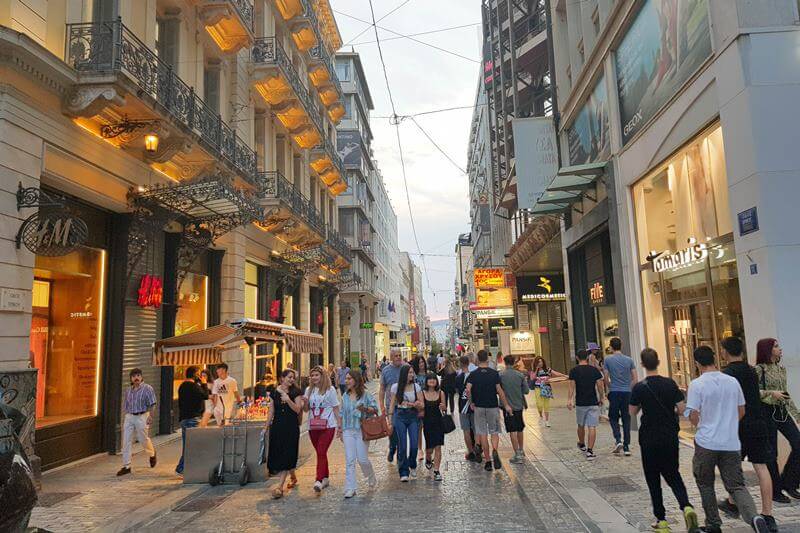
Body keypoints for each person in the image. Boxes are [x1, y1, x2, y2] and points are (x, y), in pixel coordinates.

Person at [685, 346, 769, 533]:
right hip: (731, 442)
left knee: (705, 483)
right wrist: (727, 424)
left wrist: (702, 422)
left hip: (706, 442)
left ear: (697, 363)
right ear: (715, 358)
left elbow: (693, 415)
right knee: (736, 485)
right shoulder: (732, 382)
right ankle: (754, 517)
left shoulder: (696, 385)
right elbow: (741, 411)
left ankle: (714, 524)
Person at [629, 349, 699, 532]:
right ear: (658, 361)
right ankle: (687, 506)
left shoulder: (640, 387)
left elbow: (632, 412)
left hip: (649, 438)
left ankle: (662, 521)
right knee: (673, 474)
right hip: (669, 436)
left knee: (653, 480)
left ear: (643, 364)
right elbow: (682, 409)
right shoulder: (670, 383)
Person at [719, 337, 778, 532]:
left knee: (733, 468)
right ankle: (768, 515)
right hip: (758, 423)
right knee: (761, 467)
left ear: (725, 352)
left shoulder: (726, 374)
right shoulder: (752, 371)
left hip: (738, 425)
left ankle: (733, 502)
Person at [755, 337, 800, 503]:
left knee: (798, 443)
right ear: (767, 350)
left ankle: (790, 483)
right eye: (776, 346)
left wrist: (797, 415)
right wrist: (770, 393)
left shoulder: (781, 369)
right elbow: (753, 392)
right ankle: (775, 490)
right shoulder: (760, 369)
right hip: (766, 412)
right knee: (771, 452)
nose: (779, 349)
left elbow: (785, 393)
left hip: (781, 411)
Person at [466, 349, 513, 472]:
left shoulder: (473, 374)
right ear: (487, 359)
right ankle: (495, 450)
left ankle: (487, 461)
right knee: (494, 432)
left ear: (477, 359)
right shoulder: (494, 374)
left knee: (482, 434)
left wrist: (471, 402)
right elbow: (500, 391)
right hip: (492, 406)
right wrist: (506, 405)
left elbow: (468, 390)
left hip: (479, 407)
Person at [338, 369, 377, 498]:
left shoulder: (365, 395)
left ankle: (371, 476)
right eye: (346, 379)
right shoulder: (344, 395)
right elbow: (342, 413)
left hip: (362, 430)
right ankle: (351, 488)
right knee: (350, 460)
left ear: (356, 380)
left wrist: (364, 409)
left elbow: (375, 409)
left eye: (349, 378)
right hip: (348, 429)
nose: (346, 381)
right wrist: (340, 429)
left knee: (362, 459)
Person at [267, 369, 304, 499]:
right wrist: (266, 425)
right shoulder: (274, 392)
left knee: (287, 453)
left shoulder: (296, 392)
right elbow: (271, 410)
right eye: (289, 377)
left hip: (291, 427)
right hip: (277, 426)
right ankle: (293, 477)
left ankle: (279, 487)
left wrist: (288, 399)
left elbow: (298, 409)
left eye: (293, 377)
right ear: (282, 378)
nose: (291, 379)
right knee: (282, 453)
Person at [304, 365, 341, 492]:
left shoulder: (330, 390)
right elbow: (306, 409)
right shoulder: (309, 390)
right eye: (312, 375)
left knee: (321, 451)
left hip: (328, 425)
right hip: (312, 426)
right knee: (321, 453)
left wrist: (340, 426)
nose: (314, 377)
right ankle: (325, 477)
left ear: (322, 376)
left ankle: (318, 480)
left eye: (316, 375)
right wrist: (304, 401)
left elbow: (336, 408)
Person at [117, 368, 157, 476]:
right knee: (126, 440)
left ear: (142, 377)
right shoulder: (128, 390)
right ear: (131, 378)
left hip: (142, 415)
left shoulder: (147, 388)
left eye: (138, 375)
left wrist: (151, 417)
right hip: (130, 416)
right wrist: (125, 417)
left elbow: (153, 403)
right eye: (134, 376)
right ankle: (126, 466)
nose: (136, 378)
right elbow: (126, 405)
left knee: (143, 439)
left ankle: (152, 453)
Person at [388, 364, 423, 481]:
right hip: (400, 416)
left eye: (412, 372)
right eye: (409, 373)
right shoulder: (395, 387)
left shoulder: (416, 387)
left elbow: (422, 404)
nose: (411, 375)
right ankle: (403, 471)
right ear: (404, 374)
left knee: (414, 444)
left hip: (413, 416)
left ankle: (412, 464)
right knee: (402, 445)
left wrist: (417, 404)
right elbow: (392, 404)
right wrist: (390, 420)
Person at [567, 350, 604, 460]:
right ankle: (590, 451)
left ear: (577, 358)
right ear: (587, 357)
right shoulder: (594, 370)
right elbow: (600, 385)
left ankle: (582, 443)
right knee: (592, 426)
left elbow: (571, 386)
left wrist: (569, 399)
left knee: (581, 425)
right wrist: (601, 397)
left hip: (580, 402)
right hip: (593, 401)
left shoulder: (574, 371)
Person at [604, 337, 637, 456]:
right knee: (626, 418)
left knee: (613, 417)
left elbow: (606, 377)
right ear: (621, 346)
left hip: (614, 391)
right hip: (626, 392)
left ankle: (618, 439)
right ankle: (627, 446)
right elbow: (635, 378)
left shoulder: (608, 360)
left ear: (611, 347)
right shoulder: (629, 360)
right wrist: (629, 387)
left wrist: (610, 387)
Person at [176, 366, 209, 475]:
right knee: (192, 444)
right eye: (199, 374)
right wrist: (204, 383)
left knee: (189, 444)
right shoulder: (193, 386)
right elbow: (205, 395)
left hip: (184, 418)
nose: (200, 376)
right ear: (195, 374)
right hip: (192, 419)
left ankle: (182, 467)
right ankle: (182, 468)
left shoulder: (182, 386)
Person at [500, 355, 530, 463]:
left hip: (507, 406)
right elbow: (526, 391)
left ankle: (517, 454)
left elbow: (498, 390)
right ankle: (521, 450)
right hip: (519, 405)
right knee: (520, 428)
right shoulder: (520, 375)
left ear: (504, 362)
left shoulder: (501, 375)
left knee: (512, 430)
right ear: (513, 363)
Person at [379, 349, 404, 463]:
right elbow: (382, 388)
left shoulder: (406, 368)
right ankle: (392, 447)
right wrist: (381, 404)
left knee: (401, 431)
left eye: (400, 355)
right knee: (392, 429)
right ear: (391, 357)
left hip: (404, 405)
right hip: (390, 406)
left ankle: (400, 454)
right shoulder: (386, 370)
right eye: (396, 356)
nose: (398, 357)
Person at [422, 372, 446, 481]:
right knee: (429, 449)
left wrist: (443, 407)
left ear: (437, 381)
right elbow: (421, 409)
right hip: (427, 424)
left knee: (438, 447)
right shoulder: (422, 393)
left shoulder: (441, 393)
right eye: (430, 379)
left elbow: (445, 409)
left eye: (434, 379)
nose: (432, 381)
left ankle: (436, 470)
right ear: (426, 381)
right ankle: (428, 458)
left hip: (438, 423)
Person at [530, 356, 566, 428]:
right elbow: (532, 378)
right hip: (538, 387)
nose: (540, 363)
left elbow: (555, 373)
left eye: (541, 361)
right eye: (538, 362)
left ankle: (547, 421)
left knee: (546, 404)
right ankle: (540, 414)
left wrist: (564, 375)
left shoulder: (547, 370)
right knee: (539, 403)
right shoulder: (534, 370)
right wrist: (536, 369)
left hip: (546, 388)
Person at [455, 355, 479, 462]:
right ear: (469, 363)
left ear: (460, 364)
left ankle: (470, 451)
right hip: (474, 404)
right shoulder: (474, 376)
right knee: (476, 428)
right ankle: (478, 449)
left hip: (462, 405)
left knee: (466, 430)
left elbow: (457, 391)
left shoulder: (458, 377)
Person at [411, 356, 428, 459]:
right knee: (419, 428)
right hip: (417, 404)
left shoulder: (429, 374)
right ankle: (419, 449)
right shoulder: (414, 376)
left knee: (428, 427)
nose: (421, 364)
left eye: (422, 362)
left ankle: (429, 448)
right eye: (419, 363)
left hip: (428, 403)